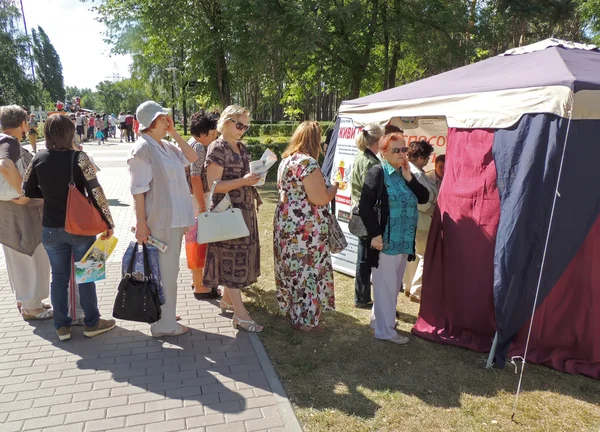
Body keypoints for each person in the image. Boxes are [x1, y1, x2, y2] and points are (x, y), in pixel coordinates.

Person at [22, 114, 116, 342]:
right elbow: (96, 191)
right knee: (87, 276)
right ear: (70, 133)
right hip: (81, 228)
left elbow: (27, 190)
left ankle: (61, 326)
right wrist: (108, 221)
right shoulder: (80, 158)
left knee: (59, 278)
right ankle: (92, 322)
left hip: (51, 228)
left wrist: (50, 195)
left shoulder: (38, 158)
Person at [128, 100, 198, 337]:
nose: (168, 120)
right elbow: (138, 190)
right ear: (151, 121)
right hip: (160, 220)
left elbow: (192, 157)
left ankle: (166, 313)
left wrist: (175, 133)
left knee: (169, 270)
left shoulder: (166, 145)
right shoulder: (142, 149)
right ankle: (164, 324)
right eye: (163, 117)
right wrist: (141, 223)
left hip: (176, 219)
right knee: (165, 271)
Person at [358, 132, 429, 345]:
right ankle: (385, 330)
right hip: (385, 241)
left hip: (403, 240)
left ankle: (378, 321)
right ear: (384, 152)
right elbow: (365, 207)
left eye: (404, 149)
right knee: (386, 286)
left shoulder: (403, 173)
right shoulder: (377, 172)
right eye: (396, 150)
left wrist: (409, 177)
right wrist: (376, 235)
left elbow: (424, 197)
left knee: (390, 284)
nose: (402, 154)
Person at [203, 105, 263, 332]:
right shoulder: (217, 148)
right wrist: (244, 181)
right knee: (232, 259)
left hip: (243, 210)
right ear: (226, 122)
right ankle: (240, 314)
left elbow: (243, 177)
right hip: (227, 213)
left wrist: (255, 177)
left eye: (246, 126)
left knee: (241, 255)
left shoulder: (240, 146)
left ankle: (228, 300)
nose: (243, 130)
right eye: (239, 125)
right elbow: (214, 186)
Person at [274, 121, 337, 333]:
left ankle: (294, 311)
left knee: (291, 266)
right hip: (305, 227)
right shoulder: (308, 163)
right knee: (307, 269)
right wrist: (334, 188)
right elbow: (319, 198)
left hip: (286, 222)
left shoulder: (286, 160)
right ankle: (306, 319)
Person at [0, 105, 52, 321]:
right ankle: (32, 306)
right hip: (19, 210)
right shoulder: (9, 141)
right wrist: (26, 191)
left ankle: (28, 301)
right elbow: (4, 165)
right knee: (30, 254)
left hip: (10, 211)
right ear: (22, 123)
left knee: (20, 255)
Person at [350, 124, 384, 308]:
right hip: (366, 214)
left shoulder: (360, 157)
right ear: (378, 141)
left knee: (363, 257)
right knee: (365, 259)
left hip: (359, 211)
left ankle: (362, 296)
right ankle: (362, 297)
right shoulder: (371, 162)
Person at [186, 111, 219, 300]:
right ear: (204, 133)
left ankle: (196, 281)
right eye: (213, 135)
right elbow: (195, 177)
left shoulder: (191, 143)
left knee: (195, 240)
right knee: (198, 241)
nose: (215, 139)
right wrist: (202, 206)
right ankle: (200, 286)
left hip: (193, 199)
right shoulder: (198, 147)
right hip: (196, 199)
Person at [403, 140, 438, 303]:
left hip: (416, 219)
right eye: (426, 157)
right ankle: (417, 290)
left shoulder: (414, 170)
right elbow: (421, 199)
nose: (428, 160)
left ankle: (409, 286)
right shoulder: (415, 173)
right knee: (424, 254)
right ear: (420, 157)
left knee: (415, 255)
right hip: (422, 219)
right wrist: (431, 209)